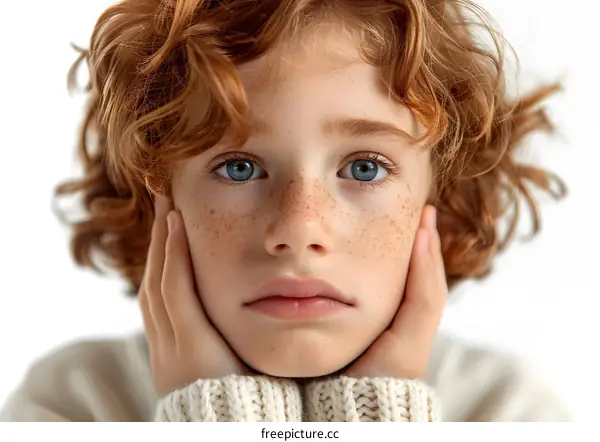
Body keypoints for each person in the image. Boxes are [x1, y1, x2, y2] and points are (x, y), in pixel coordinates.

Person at [0, 0, 570, 422]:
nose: (299, 229)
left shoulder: (509, 412)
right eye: (239, 168)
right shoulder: (73, 405)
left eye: (364, 167)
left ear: (444, 200)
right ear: (155, 197)